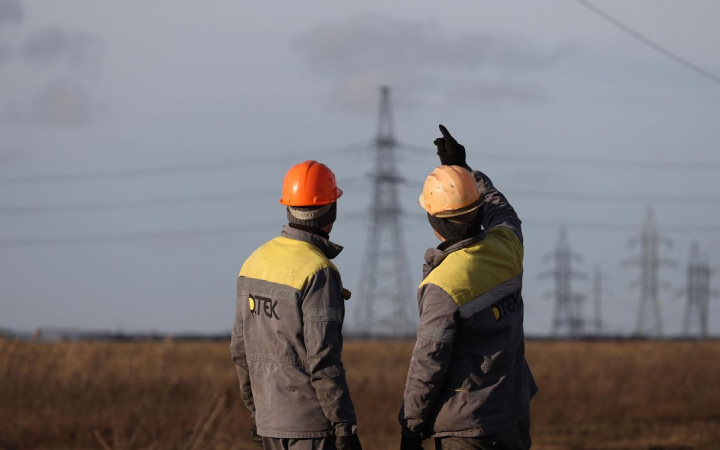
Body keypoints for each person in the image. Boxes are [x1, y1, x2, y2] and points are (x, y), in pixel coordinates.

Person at [398, 126, 538, 450]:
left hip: (467, 428)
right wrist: (464, 170)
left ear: (435, 223)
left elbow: (428, 364)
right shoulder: (507, 246)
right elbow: (500, 208)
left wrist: (411, 427)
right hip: (513, 413)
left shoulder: (442, 285)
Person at [231, 160, 362, 450]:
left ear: (288, 206)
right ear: (332, 208)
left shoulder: (253, 263)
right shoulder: (318, 271)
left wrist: (257, 412)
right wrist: (344, 426)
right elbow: (324, 359)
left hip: (270, 422)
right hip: (312, 426)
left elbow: (241, 351)